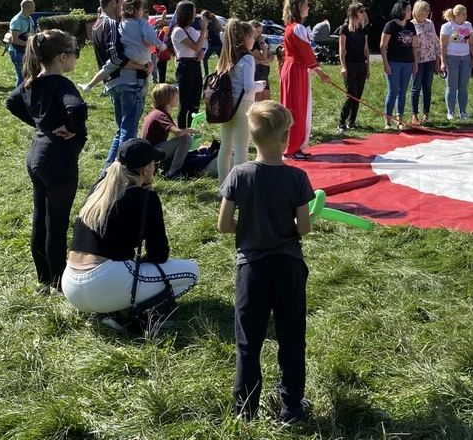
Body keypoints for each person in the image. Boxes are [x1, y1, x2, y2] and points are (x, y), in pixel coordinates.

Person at [217, 101, 313, 424]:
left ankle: (246, 411)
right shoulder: (297, 179)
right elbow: (304, 228)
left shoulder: (238, 175)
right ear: (286, 139)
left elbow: (223, 224)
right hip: (288, 267)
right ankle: (293, 408)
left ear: (253, 139)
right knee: (291, 337)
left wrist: (244, 227)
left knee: (248, 340)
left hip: (251, 269)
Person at [61, 139, 200, 328]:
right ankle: (128, 313)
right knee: (192, 272)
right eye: (154, 164)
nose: (155, 169)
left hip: (70, 286)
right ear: (145, 170)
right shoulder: (146, 198)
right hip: (103, 283)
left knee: (122, 267)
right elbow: (159, 254)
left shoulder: (99, 189)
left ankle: (113, 311)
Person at [6, 30, 87, 292]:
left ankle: (44, 278)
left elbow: (11, 102)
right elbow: (77, 108)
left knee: (41, 217)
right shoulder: (62, 84)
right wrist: (72, 127)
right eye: (75, 53)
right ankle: (58, 280)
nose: (76, 58)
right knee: (57, 222)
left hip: (36, 156)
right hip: (57, 160)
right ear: (63, 57)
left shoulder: (32, 82)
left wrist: (40, 125)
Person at [92, 0, 151, 171]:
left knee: (122, 130)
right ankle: (123, 173)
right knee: (129, 132)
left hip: (112, 83)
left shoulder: (96, 25)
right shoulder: (112, 24)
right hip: (129, 82)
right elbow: (117, 57)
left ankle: (107, 172)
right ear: (113, 3)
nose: (124, 9)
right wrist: (143, 66)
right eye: (122, 3)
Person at [80, 0, 166, 93]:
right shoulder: (142, 23)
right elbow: (151, 37)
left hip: (128, 54)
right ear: (137, 10)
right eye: (142, 9)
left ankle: (90, 85)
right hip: (144, 57)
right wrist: (162, 46)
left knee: (108, 66)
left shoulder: (121, 24)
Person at [280, 0, 330, 159]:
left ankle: (294, 146)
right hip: (296, 71)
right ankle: (292, 147)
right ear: (299, 8)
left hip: (293, 69)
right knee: (296, 108)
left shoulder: (291, 27)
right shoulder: (298, 28)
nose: (308, 8)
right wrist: (321, 73)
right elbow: (307, 53)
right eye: (306, 5)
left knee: (295, 107)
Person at [217, 19, 267, 182]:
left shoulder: (227, 56)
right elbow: (248, 87)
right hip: (243, 104)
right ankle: (239, 188)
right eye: (252, 36)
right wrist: (260, 85)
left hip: (226, 104)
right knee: (241, 148)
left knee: (225, 147)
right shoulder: (248, 58)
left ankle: (223, 186)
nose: (254, 40)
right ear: (245, 37)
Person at [141, 84, 195, 180]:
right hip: (154, 152)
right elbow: (178, 133)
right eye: (175, 96)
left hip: (150, 152)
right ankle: (172, 173)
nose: (177, 98)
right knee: (185, 139)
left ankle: (167, 168)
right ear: (168, 99)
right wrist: (191, 130)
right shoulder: (161, 114)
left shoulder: (156, 112)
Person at [171, 0, 209, 129]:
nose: (195, 14)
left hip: (195, 65)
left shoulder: (192, 30)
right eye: (193, 11)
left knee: (195, 103)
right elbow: (196, 46)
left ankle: (192, 132)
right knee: (184, 103)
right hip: (185, 67)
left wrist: (201, 52)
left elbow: (200, 49)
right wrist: (203, 31)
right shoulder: (178, 31)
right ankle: (182, 133)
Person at [381, 0, 418, 130]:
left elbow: (414, 45)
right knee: (393, 91)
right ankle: (388, 120)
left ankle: (400, 120)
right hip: (393, 62)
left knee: (403, 91)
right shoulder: (390, 26)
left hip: (408, 63)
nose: (410, 12)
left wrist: (416, 63)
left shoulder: (411, 26)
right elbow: (383, 45)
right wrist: (385, 63)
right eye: (408, 9)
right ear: (401, 10)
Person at [440, 4, 473, 121]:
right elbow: (443, 46)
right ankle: (450, 112)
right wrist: (443, 62)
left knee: (463, 86)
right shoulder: (447, 27)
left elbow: (472, 43)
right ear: (456, 15)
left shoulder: (468, 25)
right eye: (463, 14)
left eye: (466, 13)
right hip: (452, 59)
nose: (466, 16)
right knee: (452, 86)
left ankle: (463, 111)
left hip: (465, 58)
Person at [338, 3, 370, 132]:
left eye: (363, 10)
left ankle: (352, 122)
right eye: (361, 11)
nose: (363, 13)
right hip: (350, 64)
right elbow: (341, 49)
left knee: (359, 95)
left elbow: (366, 48)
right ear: (354, 13)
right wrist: (343, 66)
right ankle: (341, 122)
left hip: (361, 63)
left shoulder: (364, 29)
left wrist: (368, 67)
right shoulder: (345, 29)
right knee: (352, 94)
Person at [410, 1, 439, 126]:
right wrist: (414, 62)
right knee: (416, 87)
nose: (427, 12)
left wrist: (438, 58)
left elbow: (435, 40)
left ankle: (426, 114)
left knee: (427, 87)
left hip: (430, 59)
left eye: (428, 10)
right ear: (418, 10)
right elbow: (412, 45)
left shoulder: (430, 23)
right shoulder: (411, 24)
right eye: (425, 10)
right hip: (418, 60)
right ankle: (414, 115)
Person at [7, 0, 37, 86]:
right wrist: (29, 45)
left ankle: (25, 95)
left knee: (28, 74)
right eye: (33, 7)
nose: (34, 9)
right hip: (16, 51)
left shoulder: (30, 19)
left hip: (25, 50)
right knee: (22, 76)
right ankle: (19, 97)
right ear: (28, 8)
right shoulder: (16, 20)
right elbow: (14, 40)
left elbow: (31, 34)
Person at [249, 20, 273, 102]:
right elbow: (264, 57)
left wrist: (265, 59)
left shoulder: (258, 43)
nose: (260, 34)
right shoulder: (252, 44)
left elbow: (271, 57)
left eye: (261, 32)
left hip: (264, 72)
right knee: (259, 100)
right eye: (258, 32)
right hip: (258, 72)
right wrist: (262, 44)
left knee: (267, 99)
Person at [202, 11, 224, 77]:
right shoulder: (214, 23)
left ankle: (206, 74)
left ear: (205, 17)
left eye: (202, 17)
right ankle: (222, 71)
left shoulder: (207, 25)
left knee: (204, 58)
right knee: (221, 59)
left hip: (212, 45)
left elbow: (206, 36)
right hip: (219, 44)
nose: (202, 18)